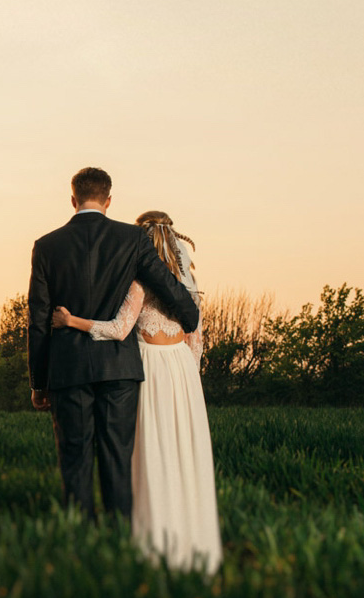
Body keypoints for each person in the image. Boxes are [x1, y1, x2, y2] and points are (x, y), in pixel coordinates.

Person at [52, 211, 222, 573]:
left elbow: (118, 329)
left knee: (148, 451)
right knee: (182, 452)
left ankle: (151, 540)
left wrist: (71, 321)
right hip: (181, 371)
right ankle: (192, 540)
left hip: (150, 367)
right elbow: (197, 342)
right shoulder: (188, 288)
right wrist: (190, 382)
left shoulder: (138, 284)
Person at [27, 168, 199, 527]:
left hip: (68, 367)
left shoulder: (46, 246)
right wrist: (189, 316)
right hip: (119, 369)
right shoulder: (132, 239)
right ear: (108, 200)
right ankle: (119, 533)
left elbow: (39, 319)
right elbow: (167, 286)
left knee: (74, 457)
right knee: (118, 456)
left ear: (73, 200)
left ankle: (80, 534)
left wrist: (39, 383)